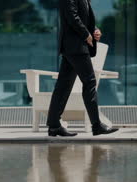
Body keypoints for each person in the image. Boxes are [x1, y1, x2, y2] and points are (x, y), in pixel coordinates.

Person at [46, 0, 119, 137]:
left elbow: (83, 17)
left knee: (63, 86)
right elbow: (72, 15)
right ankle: (96, 125)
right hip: (76, 47)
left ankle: (54, 125)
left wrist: (94, 30)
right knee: (89, 82)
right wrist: (86, 34)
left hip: (73, 47)